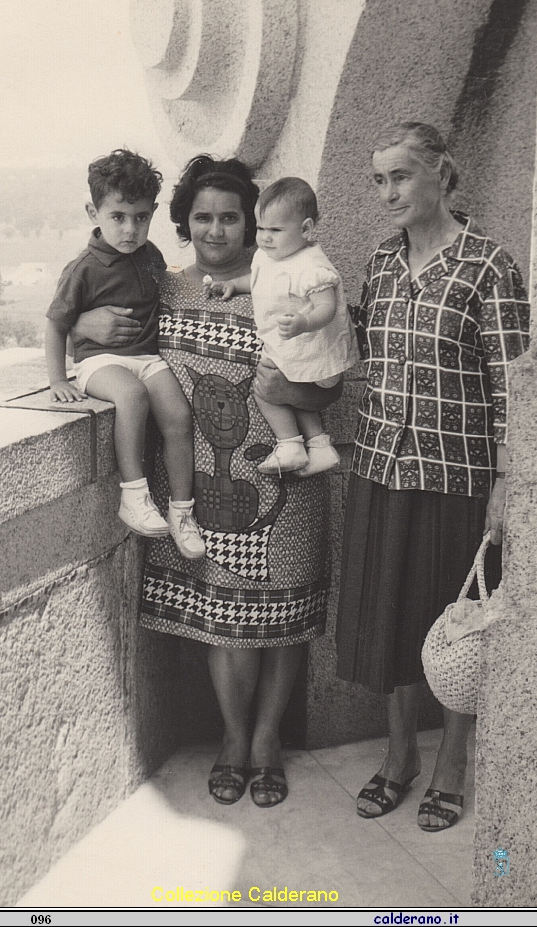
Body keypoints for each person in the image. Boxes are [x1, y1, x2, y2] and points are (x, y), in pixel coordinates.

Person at [74, 155, 342, 808]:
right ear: (184, 224)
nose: (217, 230)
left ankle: (265, 741)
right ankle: (231, 738)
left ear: (252, 222)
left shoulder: (291, 285)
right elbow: (91, 335)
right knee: (221, 625)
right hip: (199, 490)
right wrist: (82, 324)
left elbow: (331, 381)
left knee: (281, 623)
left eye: (230, 217)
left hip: (285, 482)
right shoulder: (158, 290)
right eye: (203, 218)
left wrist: (289, 385)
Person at [336, 123, 529, 830]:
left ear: (439, 175)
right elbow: (360, 357)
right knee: (387, 623)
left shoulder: (488, 266)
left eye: (400, 177)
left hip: (457, 478)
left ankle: (451, 762)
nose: (387, 192)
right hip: (382, 469)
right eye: (378, 180)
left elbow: (510, 387)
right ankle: (397, 758)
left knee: (453, 630)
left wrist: (506, 484)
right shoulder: (381, 266)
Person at [45, 149, 205, 559]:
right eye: (118, 217)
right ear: (93, 212)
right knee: (132, 397)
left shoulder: (150, 256)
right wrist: (58, 379)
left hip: (146, 356)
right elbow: (56, 323)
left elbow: (166, 291)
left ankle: (181, 512)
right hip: (99, 362)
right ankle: (133, 495)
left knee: (178, 414)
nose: (130, 229)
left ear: (152, 212)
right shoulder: (83, 267)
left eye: (140, 217)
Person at [205, 177, 354, 477]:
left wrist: (304, 322)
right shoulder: (270, 256)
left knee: (264, 387)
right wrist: (233, 284)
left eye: (275, 230)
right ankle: (320, 446)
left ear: (306, 229)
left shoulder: (311, 266)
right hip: (298, 351)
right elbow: (261, 281)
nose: (265, 237)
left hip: (312, 347)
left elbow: (327, 306)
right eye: (261, 228)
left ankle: (289, 444)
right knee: (291, 384)